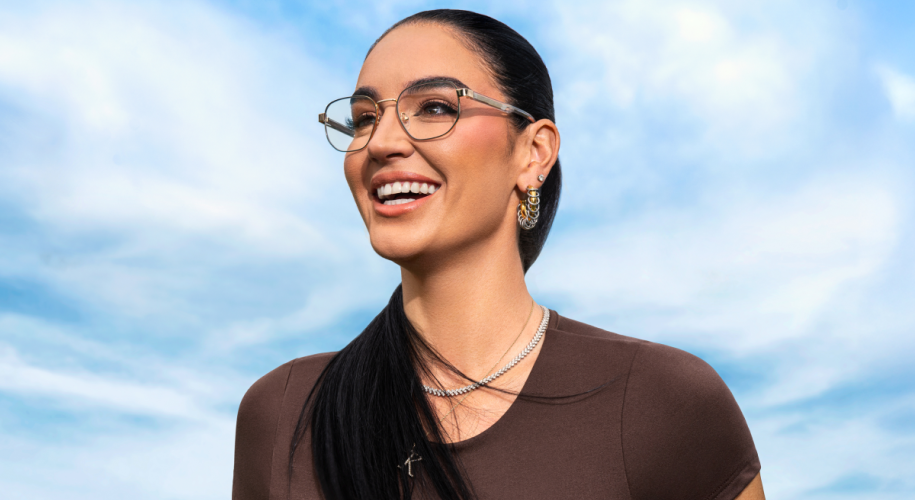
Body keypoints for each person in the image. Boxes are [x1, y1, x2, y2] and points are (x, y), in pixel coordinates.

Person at [232, 9, 764, 500]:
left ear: (534, 153)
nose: (380, 142)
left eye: (436, 107)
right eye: (365, 117)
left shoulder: (664, 402)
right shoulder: (283, 413)